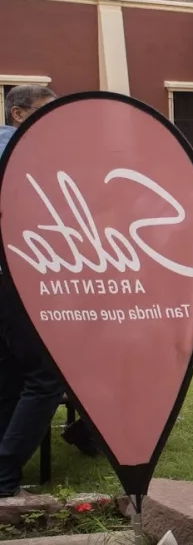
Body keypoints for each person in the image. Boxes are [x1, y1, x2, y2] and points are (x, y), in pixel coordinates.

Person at [0, 85, 62, 499]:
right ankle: (4, 475)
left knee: (11, 376)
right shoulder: (18, 150)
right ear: (19, 113)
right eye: (46, 111)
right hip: (17, 275)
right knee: (46, 377)